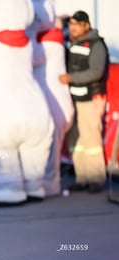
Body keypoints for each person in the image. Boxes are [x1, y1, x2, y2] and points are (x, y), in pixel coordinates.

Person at [59, 10, 110, 193]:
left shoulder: (96, 44)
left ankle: (96, 178)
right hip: (75, 98)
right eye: (71, 24)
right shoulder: (71, 43)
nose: (72, 27)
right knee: (77, 141)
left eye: (77, 24)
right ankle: (82, 177)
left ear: (86, 26)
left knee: (91, 138)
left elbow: (96, 72)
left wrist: (71, 78)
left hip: (90, 99)